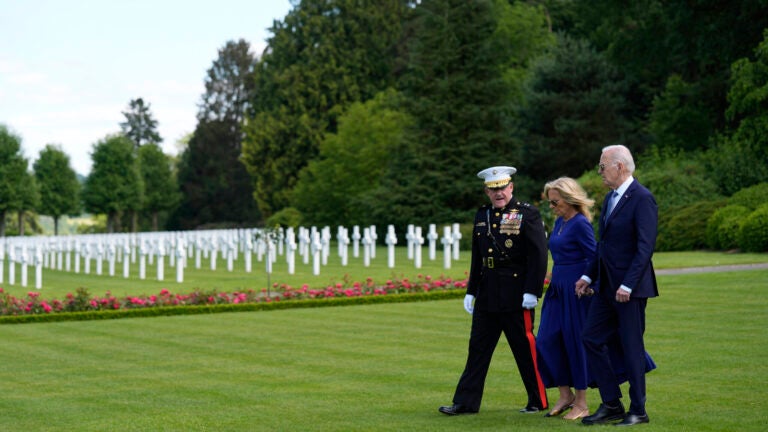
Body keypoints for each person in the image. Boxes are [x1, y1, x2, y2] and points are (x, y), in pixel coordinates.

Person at [439, 166, 549, 416]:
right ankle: (465, 403)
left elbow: (539, 254)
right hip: (487, 293)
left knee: (524, 348)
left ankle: (538, 400)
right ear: (486, 191)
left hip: (516, 293)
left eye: (502, 187)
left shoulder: (527, 213)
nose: (498, 193)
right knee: (477, 349)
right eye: (493, 189)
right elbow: (478, 257)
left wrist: (532, 290)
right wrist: (471, 290)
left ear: (511, 187)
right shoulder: (482, 215)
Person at [575, 144, 659, 427]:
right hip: (606, 288)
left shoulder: (642, 198)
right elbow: (603, 246)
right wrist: (588, 276)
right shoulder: (611, 199)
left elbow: (644, 248)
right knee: (591, 338)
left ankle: (638, 410)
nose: (600, 172)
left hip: (628, 291)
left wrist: (628, 285)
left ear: (619, 167)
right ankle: (612, 403)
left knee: (631, 346)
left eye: (602, 166)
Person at [536, 177, 596, 421]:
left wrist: (587, 281)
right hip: (557, 288)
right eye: (550, 203)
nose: (552, 207)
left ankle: (581, 403)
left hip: (576, 290)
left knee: (574, 344)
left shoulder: (581, 224)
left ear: (570, 199)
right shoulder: (561, 221)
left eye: (555, 202)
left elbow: (594, 256)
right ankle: (565, 395)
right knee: (547, 340)